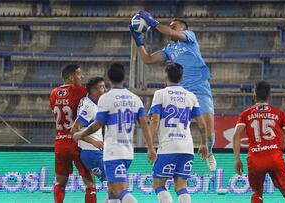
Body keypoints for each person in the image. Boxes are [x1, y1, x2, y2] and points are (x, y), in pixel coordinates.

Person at [130, 11, 217, 171]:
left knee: (208, 127)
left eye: (174, 25)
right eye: (170, 25)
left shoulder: (189, 37)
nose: (171, 27)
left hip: (199, 88)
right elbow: (148, 59)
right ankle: (166, 153)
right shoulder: (169, 49)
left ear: (183, 28)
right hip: (181, 90)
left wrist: (153, 22)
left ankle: (209, 151)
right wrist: (138, 40)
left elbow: (169, 32)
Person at [73, 63, 157, 203]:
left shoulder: (106, 98)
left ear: (108, 78)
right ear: (124, 77)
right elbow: (144, 124)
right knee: (112, 190)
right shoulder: (135, 99)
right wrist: (150, 148)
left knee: (119, 190)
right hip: (128, 153)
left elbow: (97, 124)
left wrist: (80, 134)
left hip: (113, 152)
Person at [149, 63, 209, 203]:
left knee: (158, 184)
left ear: (165, 76)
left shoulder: (160, 94)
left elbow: (155, 121)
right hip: (187, 148)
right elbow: (202, 124)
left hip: (168, 147)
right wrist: (204, 144)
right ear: (182, 77)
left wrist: (150, 146)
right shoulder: (191, 96)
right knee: (181, 186)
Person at [232, 81, 285, 203]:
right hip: (275, 158)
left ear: (254, 96)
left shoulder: (246, 114)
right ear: (270, 96)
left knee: (257, 193)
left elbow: (236, 135)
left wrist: (237, 158)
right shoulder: (279, 114)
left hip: (255, 158)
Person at [49, 64, 96, 203]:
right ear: (70, 77)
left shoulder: (53, 93)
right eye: (79, 74)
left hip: (60, 142)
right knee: (90, 183)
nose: (82, 77)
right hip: (78, 142)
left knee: (60, 183)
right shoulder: (79, 91)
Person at [71, 77, 107, 183]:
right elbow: (74, 130)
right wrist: (93, 141)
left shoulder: (89, 102)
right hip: (91, 152)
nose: (104, 90)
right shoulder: (89, 107)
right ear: (93, 90)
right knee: (114, 182)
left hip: (95, 152)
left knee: (112, 183)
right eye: (101, 87)